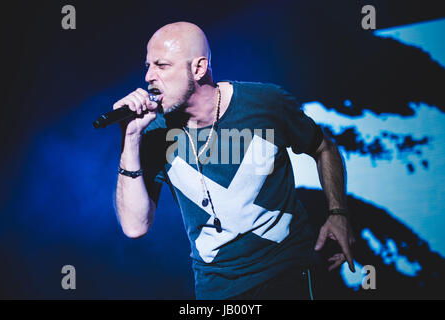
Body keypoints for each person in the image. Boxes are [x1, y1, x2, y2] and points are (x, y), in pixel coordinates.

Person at [113, 21, 355, 300]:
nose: (149, 77)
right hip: (218, 290)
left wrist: (338, 213)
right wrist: (130, 137)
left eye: (161, 65)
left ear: (199, 68)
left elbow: (323, 148)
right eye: (147, 66)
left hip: (289, 273)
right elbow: (134, 227)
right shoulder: (154, 135)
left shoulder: (265, 103)